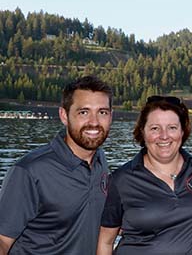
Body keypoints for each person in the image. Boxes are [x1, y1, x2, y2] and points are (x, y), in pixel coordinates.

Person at [0, 75, 113, 254]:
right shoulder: (29, 171)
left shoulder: (101, 163)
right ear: (64, 115)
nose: (94, 122)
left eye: (102, 112)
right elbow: (2, 240)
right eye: (83, 112)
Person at [97, 96, 192, 254]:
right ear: (142, 132)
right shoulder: (121, 180)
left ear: (183, 130)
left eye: (172, 127)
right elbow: (106, 241)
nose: (164, 136)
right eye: (155, 128)